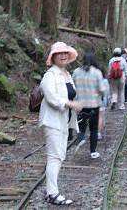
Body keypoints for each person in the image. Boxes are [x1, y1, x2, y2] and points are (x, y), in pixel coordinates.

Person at [39, 42, 83, 205]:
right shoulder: (50, 75)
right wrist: (70, 104)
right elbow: (51, 98)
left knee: (58, 156)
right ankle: (52, 193)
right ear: (53, 57)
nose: (63, 55)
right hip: (52, 121)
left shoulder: (67, 74)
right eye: (59, 53)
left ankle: (51, 191)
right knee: (55, 157)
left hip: (64, 120)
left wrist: (76, 105)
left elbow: (70, 95)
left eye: (65, 53)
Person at [72, 52, 107, 159]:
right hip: (94, 104)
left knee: (81, 125)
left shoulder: (76, 71)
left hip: (80, 104)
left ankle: (81, 139)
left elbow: (72, 85)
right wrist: (102, 94)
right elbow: (102, 89)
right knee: (93, 129)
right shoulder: (97, 72)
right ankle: (93, 152)